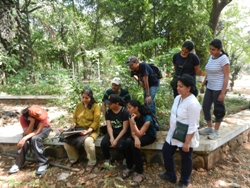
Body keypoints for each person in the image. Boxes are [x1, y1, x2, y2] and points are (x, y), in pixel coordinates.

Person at [158, 74, 201, 188]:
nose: (178, 88)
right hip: (174, 132)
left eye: (181, 86)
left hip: (186, 135)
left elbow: (193, 125)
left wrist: (187, 143)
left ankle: (184, 181)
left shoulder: (193, 103)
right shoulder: (178, 98)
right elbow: (174, 114)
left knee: (186, 158)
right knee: (166, 151)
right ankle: (170, 175)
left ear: (189, 87)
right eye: (177, 86)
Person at [62, 88, 100, 172]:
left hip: (91, 130)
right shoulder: (79, 105)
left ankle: (92, 162)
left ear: (91, 97)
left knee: (88, 142)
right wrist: (73, 123)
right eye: (83, 97)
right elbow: (74, 118)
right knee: (66, 140)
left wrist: (87, 131)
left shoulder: (95, 106)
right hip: (78, 129)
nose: (84, 100)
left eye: (87, 98)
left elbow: (96, 122)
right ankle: (73, 159)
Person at [199, 39, 230, 140]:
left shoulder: (224, 59)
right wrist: (203, 84)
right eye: (210, 49)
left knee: (218, 109)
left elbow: (226, 76)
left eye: (213, 49)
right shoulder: (211, 57)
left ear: (220, 49)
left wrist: (222, 92)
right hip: (210, 86)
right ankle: (209, 128)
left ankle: (216, 132)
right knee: (206, 106)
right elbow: (208, 72)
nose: (211, 51)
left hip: (219, 87)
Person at [122, 100, 156, 187]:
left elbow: (140, 133)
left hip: (149, 135)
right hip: (137, 134)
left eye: (129, 108)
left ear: (136, 108)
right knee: (127, 142)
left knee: (134, 145)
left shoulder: (147, 118)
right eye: (127, 107)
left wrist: (133, 122)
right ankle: (129, 167)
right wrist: (136, 138)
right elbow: (133, 132)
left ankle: (140, 172)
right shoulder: (130, 115)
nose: (127, 109)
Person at [9, 105, 52, 175]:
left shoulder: (42, 113)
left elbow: (38, 131)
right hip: (31, 129)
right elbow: (27, 132)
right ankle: (18, 164)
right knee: (24, 142)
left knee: (35, 139)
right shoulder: (23, 118)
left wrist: (24, 138)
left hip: (44, 128)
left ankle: (43, 163)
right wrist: (32, 123)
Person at [100, 94, 130, 168]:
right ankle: (107, 159)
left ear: (117, 103)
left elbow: (125, 129)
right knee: (103, 143)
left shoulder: (124, 111)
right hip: (112, 132)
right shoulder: (108, 112)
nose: (108, 105)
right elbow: (109, 126)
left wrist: (116, 140)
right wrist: (111, 137)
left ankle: (126, 159)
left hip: (122, 133)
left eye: (110, 104)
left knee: (120, 146)